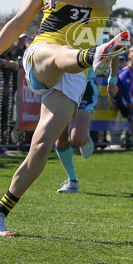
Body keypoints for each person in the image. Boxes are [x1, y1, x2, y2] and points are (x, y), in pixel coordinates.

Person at [0, 0, 129, 237]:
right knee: (59, 54)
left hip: (74, 74)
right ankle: (94, 54)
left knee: (41, 147)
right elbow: (17, 24)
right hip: (42, 53)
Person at [55, 63, 118, 193]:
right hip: (61, 85)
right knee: (60, 138)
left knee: (77, 139)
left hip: (85, 86)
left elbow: (114, 47)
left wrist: (112, 80)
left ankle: (84, 137)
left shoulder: (96, 40)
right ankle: (72, 181)